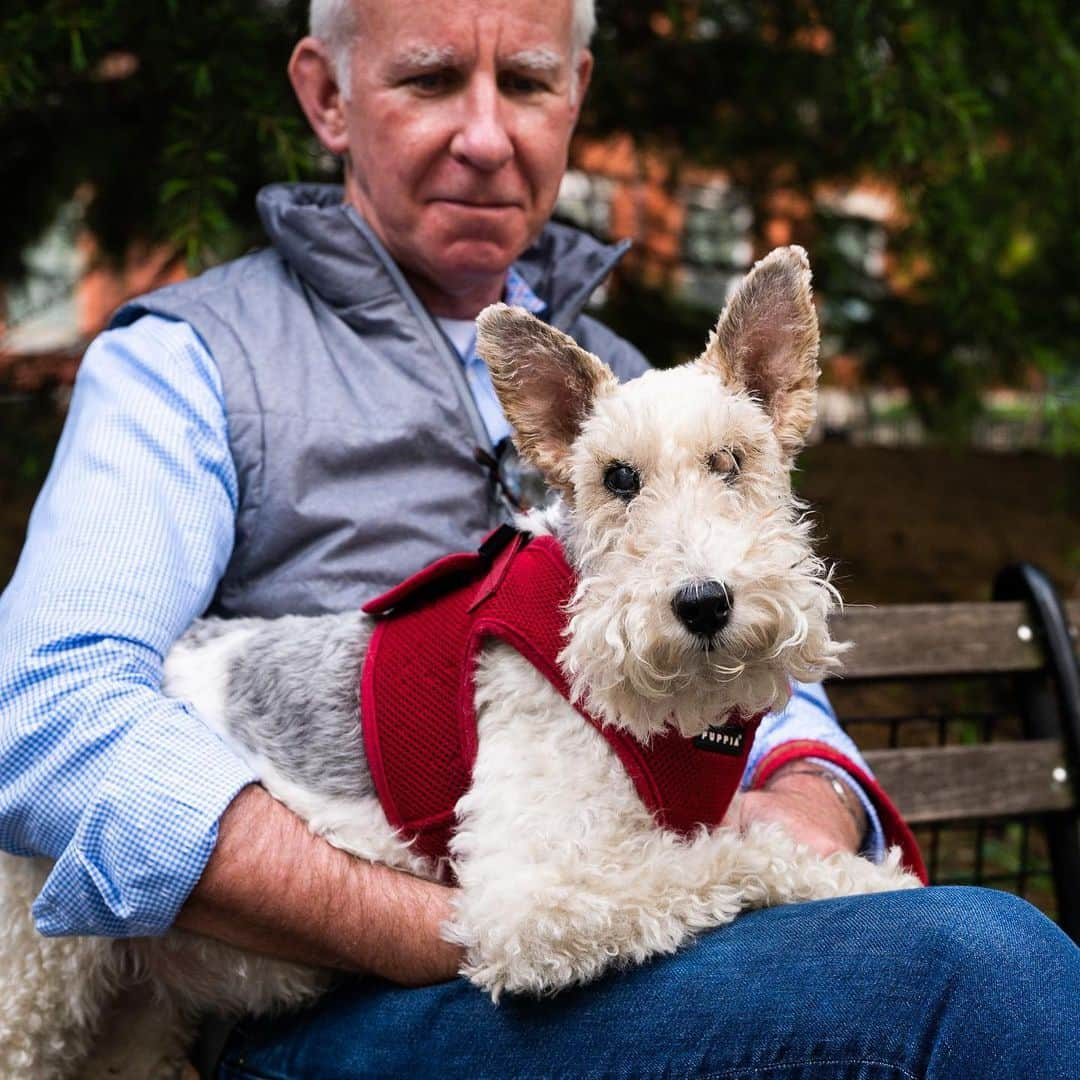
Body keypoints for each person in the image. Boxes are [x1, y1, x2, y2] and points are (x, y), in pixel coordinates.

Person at [0, 1, 1076, 1076]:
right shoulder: (189, 362)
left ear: (577, 95)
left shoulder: (643, 379)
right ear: (327, 95)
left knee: (977, 961)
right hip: (336, 989)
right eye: (429, 80)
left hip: (621, 919)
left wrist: (810, 803)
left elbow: (772, 694)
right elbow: (48, 709)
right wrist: (403, 919)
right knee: (983, 971)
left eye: (523, 81)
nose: (485, 134)